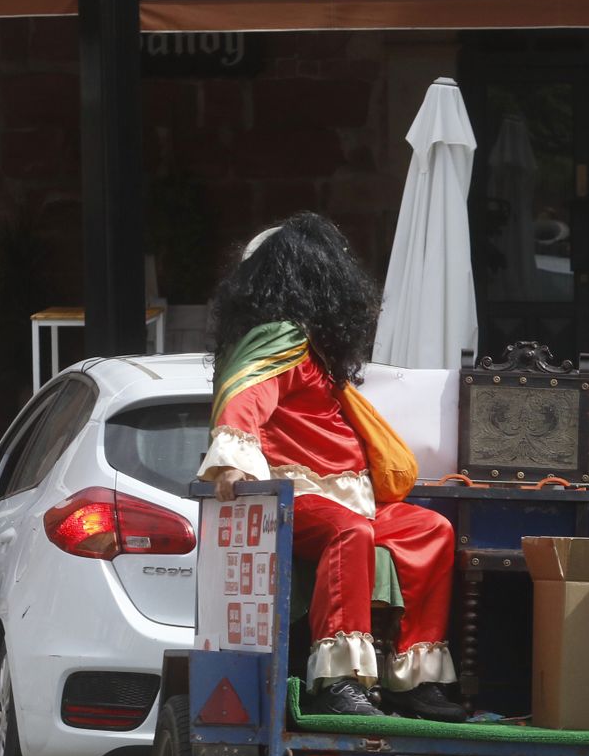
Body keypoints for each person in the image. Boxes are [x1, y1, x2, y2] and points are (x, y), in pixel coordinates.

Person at [199, 213, 468, 722]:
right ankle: (338, 679)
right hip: (297, 496)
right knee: (348, 533)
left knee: (431, 529)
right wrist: (232, 463)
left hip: (353, 498)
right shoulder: (278, 339)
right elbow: (245, 399)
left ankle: (412, 679)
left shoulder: (319, 352)